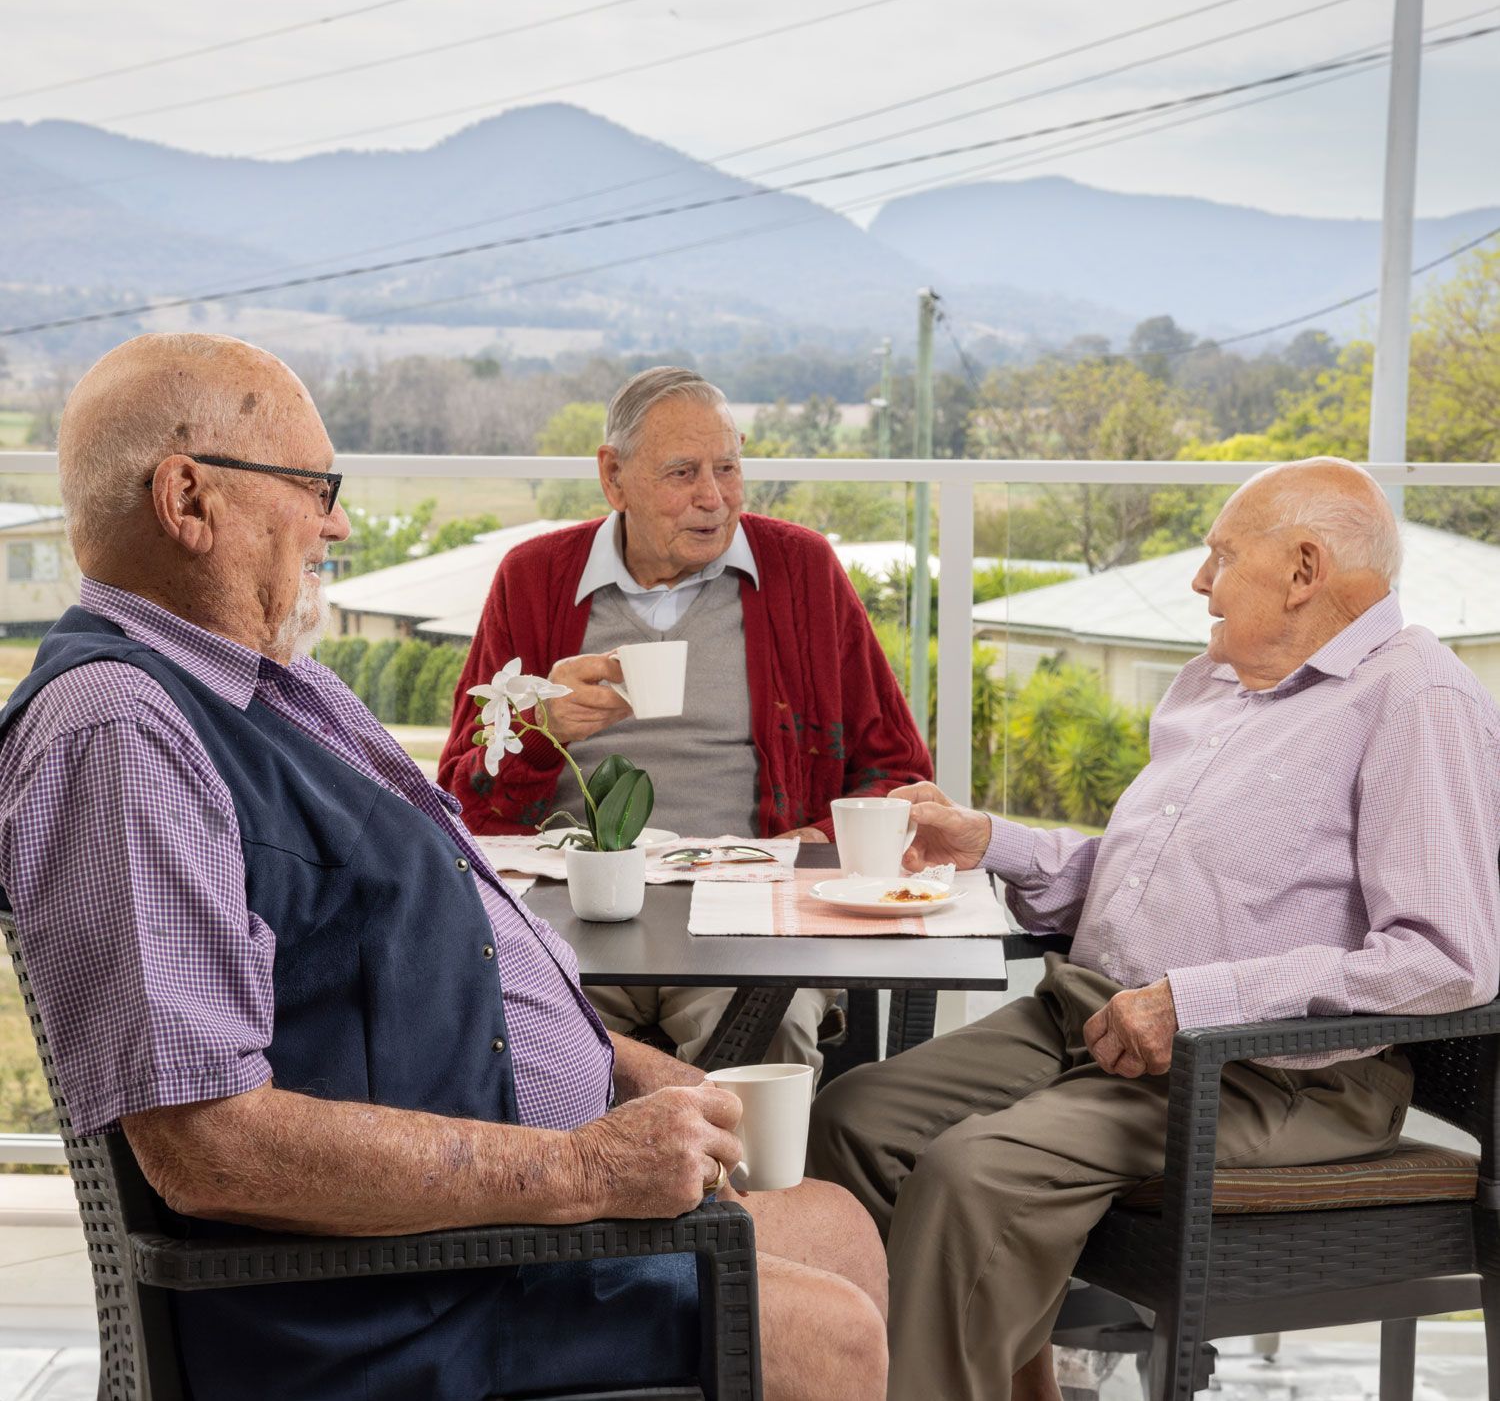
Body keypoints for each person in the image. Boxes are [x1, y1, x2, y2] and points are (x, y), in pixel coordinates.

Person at [0, 334, 888, 1401]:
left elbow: (432, 949)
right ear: (189, 500)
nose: (334, 521)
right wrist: (582, 1171)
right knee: (827, 1330)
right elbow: (208, 1146)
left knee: (837, 1230)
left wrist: (624, 1068)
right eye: (313, 487)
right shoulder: (120, 732)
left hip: (486, 1229)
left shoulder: (278, 685)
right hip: (393, 1298)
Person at [807, 457, 1500, 1401]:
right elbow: (1151, 878)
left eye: (1220, 556)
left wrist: (1197, 1001)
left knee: (974, 1175)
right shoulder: (1217, 683)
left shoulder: (1416, 697)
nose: (1199, 581)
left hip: (1270, 1072)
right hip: (1096, 1016)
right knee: (854, 1120)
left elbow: (1444, 962)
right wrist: (989, 842)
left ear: (1305, 570)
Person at [438, 365, 931, 1069]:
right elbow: (458, 800)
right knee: (506, 1038)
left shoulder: (803, 573)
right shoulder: (534, 578)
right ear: (613, 477)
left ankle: (739, 1185)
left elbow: (898, 772)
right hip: (575, 911)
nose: (713, 498)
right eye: (681, 473)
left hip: (744, 912)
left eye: (727, 468)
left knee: (769, 1034)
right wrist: (540, 736)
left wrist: (815, 837)